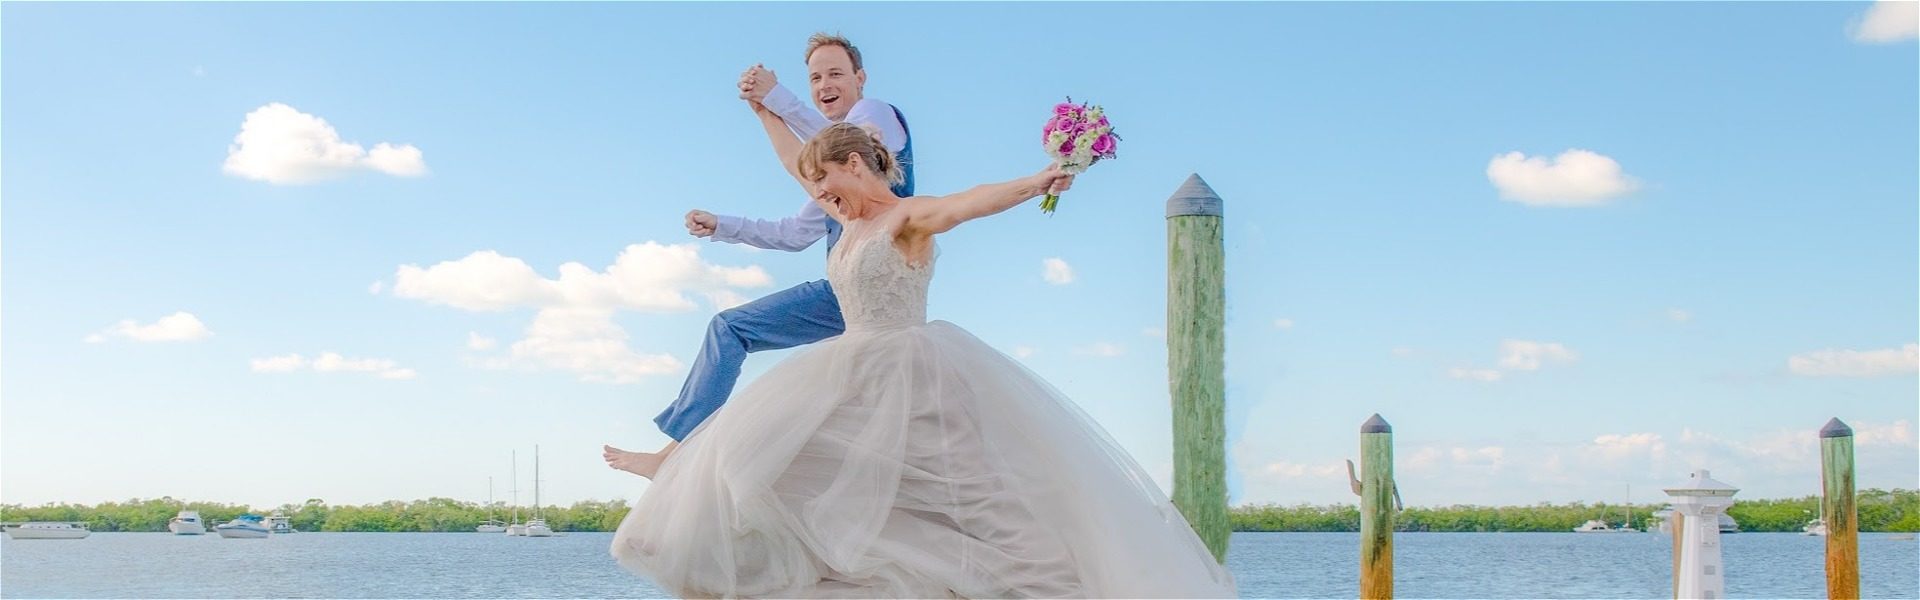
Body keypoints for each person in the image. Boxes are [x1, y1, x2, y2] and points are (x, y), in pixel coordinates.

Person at [609, 122, 1238, 598]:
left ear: (854, 163)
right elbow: (795, 166)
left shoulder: (906, 218)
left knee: (972, 498)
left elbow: (969, 202)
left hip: (911, 370)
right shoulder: (844, 222)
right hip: (846, 372)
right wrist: (765, 108)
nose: (821, 194)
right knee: (757, 463)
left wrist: (1036, 180)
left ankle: (1061, 586)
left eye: (826, 180)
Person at [603, 33, 913, 478]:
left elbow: (844, 147)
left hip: (878, 286)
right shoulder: (832, 181)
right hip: (844, 291)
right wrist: (723, 225)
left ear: (860, 79)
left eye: (836, 74)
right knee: (731, 331)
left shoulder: (876, 114)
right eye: (815, 78)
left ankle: (675, 456)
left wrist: (777, 98)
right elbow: (793, 233)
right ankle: (675, 456)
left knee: (743, 339)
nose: (825, 84)